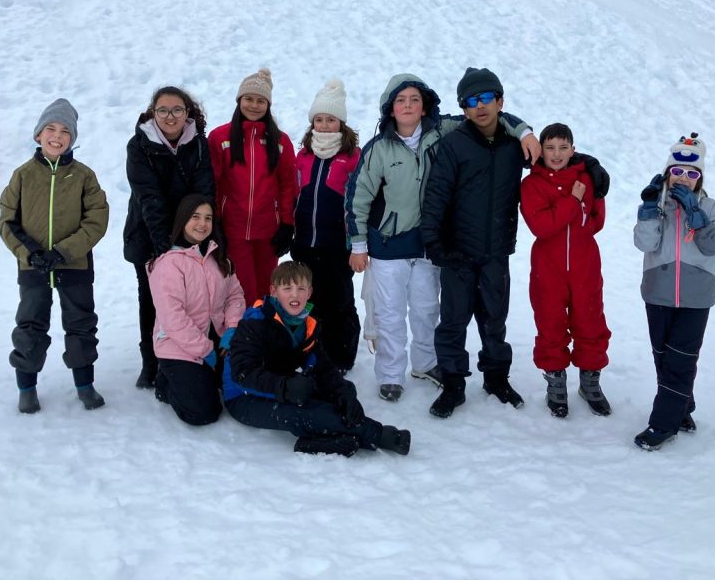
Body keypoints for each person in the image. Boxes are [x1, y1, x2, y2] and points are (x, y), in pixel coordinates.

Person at [345, 72, 540, 403]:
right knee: (390, 314)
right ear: (390, 109)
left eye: (414, 100)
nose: (408, 106)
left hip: (428, 244)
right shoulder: (378, 148)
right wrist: (358, 245)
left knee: (426, 310)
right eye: (400, 101)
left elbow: (489, 117)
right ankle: (390, 374)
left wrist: (524, 131)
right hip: (388, 244)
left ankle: (425, 364)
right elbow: (358, 197)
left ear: (425, 107)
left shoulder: (442, 130)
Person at [420, 68, 550, 418]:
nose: (480, 106)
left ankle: (496, 378)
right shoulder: (454, 145)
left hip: (496, 251)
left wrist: (590, 168)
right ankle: (453, 384)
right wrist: (433, 240)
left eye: (486, 98)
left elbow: (556, 161)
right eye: (471, 101)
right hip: (458, 252)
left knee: (494, 320)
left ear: (499, 102)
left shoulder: (515, 145)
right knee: (453, 321)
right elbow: (436, 194)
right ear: (463, 109)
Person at [223, 262, 411, 457]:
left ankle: (328, 440)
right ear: (273, 291)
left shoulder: (306, 324)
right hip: (244, 397)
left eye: (301, 288)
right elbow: (242, 373)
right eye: (287, 288)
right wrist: (284, 387)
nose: (295, 295)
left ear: (309, 292)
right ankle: (378, 435)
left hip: (281, 384)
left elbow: (323, 367)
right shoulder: (256, 323)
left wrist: (344, 393)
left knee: (338, 398)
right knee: (307, 412)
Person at [0, 98, 109, 414]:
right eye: (51, 129)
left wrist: (62, 252)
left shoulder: (84, 176)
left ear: (72, 138)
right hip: (33, 268)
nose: (57, 136)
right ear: (39, 134)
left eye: (65, 131)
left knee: (81, 324)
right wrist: (31, 253)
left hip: (74, 265)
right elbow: (7, 221)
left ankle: (85, 385)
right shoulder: (23, 176)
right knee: (30, 326)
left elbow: (96, 220)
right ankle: (27, 388)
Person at [632, 133, 715, 450]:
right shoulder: (657, 205)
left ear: (700, 178)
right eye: (677, 171)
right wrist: (648, 211)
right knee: (663, 358)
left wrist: (698, 219)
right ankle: (682, 407)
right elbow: (644, 243)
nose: (684, 178)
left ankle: (663, 425)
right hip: (658, 294)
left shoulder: (708, 206)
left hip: (696, 298)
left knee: (681, 361)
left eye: (692, 173)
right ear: (667, 173)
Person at [124, 86, 214, 389]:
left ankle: (181, 357)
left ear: (187, 112)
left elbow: (203, 191)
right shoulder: (139, 145)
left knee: (188, 300)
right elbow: (149, 197)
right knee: (152, 299)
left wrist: (194, 236)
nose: (170, 116)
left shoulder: (198, 144)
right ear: (153, 113)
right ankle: (151, 362)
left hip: (189, 234)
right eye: (163, 110)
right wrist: (165, 247)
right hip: (149, 236)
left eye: (177, 110)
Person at [520, 123, 611, 419]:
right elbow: (542, 226)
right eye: (550, 148)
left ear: (573, 150)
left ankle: (590, 382)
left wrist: (582, 221)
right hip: (548, 269)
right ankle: (556, 383)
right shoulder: (532, 185)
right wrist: (572, 201)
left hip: (585, 265)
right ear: (541, 151)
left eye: (563, 147)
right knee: (550, 323)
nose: (556, 154)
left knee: (590, 320)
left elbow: (597, 219)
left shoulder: (587, 178)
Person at [148, 193, 246, 426]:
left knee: (242, 386)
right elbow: (173, 318)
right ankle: (165, 384)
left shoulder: (218, 258)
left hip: (219, 343)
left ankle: (202, 378)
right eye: (195, 217)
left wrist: (232, 327)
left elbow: (235, 295)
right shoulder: (169, 264)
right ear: (183, 219)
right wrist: (205, 349)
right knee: (204, 412)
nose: (202, 224)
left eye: (208, 218)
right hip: (180, 346)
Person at [290, 79, 362, 373]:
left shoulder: (352, 157)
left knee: (339, 301)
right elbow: (294, 194)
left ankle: (342, 356)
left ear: (341, 123)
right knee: (310, 301)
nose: (324, 125)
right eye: (319, 119)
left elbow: (360, 201)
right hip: (306, 243)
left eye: (330, 119)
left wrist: (356, 242)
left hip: (337, 246)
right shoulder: (304, 156)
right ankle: (314, 351)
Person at [209, 68, 297, 304]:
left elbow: (288, 185)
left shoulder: (281, 141)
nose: (254, 106)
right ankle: (243, 327)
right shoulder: (220, 137)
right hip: (233, 230)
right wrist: (215, 221)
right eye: (248, 99)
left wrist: (287, 224)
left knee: (267, 288)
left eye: (261, 101)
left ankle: (265, 326)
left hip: (268, 231)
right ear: (239, 100)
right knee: (241, 288)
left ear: (268, 105)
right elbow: (212, 183)